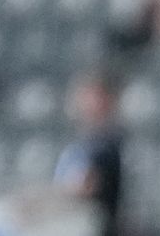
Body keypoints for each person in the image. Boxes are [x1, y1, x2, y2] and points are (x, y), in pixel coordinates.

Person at [51, 68, 127, 236]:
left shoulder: (108, 143)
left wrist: (40, 201)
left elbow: (82, 187)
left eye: (94, 97)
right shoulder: (79, 142)